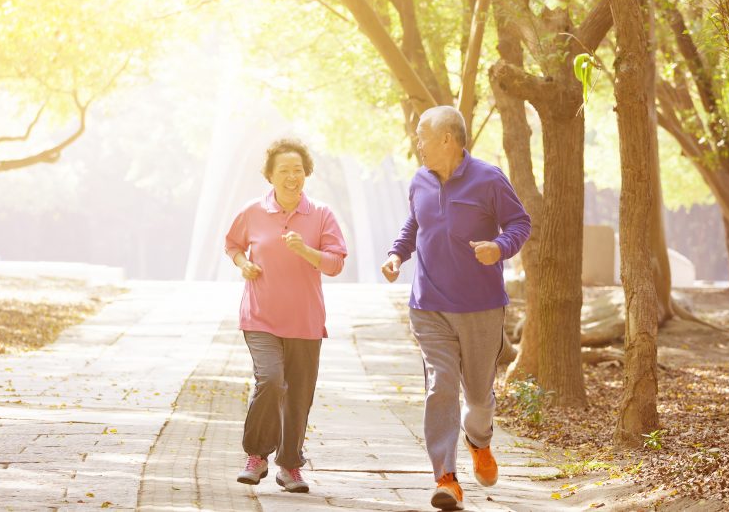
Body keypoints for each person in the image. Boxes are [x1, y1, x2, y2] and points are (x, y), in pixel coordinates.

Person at [381, 106, 531, 511]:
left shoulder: (489, 179)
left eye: (422, 135)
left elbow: (520, 224)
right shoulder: (420, 180)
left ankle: (478, 440)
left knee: (478, 396)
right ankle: (446, 478)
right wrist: (398, 255)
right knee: (441, 385)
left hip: (481, 307)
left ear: (447, 138)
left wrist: (498, 247)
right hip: (429, 305)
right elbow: (415, 224)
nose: (417, 142)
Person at [224, 138, 347, 494]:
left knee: (298, 396)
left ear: (306, 172)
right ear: (270, 176)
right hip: (260, 315)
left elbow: (336, 263)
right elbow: (232, 244)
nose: (292, 177)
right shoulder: (253, 211)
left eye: (298, 170)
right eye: (284, 171)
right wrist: (244, 263)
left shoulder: (321, 214)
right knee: (272, 380)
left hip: (305, 320)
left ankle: (290, 466)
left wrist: (305, 250)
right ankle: (257, 456)